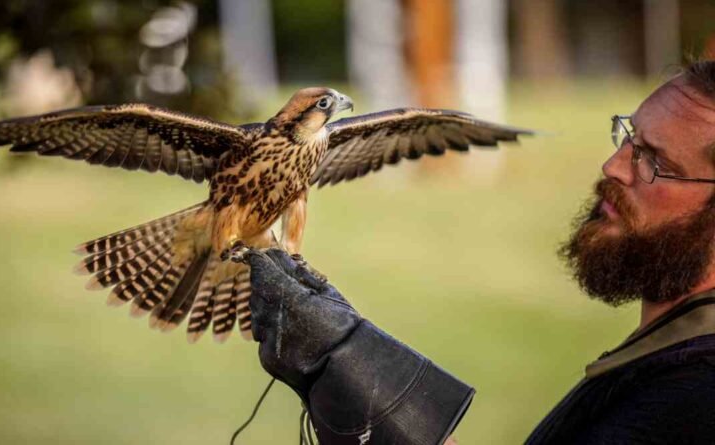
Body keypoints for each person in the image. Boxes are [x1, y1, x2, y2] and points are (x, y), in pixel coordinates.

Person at [236, 60, 715, 445]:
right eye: (628, 136)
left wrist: (366, 387)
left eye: (655, 161)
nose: (613, 165)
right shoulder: (667, 353)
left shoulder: (696, 395)